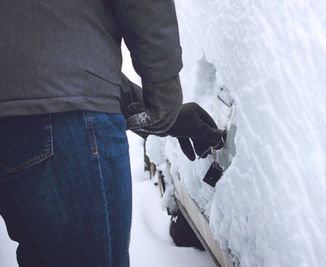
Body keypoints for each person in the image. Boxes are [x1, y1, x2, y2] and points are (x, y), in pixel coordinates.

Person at [0, 0, 224, 266]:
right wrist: (164, 94)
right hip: (64, 121)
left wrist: (154, 112)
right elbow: (64, 66)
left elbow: (38, 49)